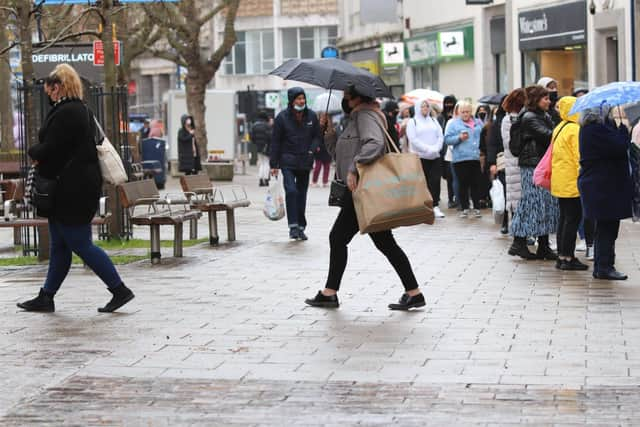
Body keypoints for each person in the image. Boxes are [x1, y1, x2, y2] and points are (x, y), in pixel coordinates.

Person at [17, 63, 134, 313]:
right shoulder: (77, 109)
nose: (46, 93)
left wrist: (33, 152)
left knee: (80, 244)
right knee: (60, 245)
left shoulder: (68, 112)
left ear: (57, 87)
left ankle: (119, 290)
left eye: (48, 88)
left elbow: (51, 147)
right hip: (69, 189)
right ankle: (46, 296)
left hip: (72, 191)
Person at [304, 85, 425, 311]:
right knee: (384, 242)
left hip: (362, 188)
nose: (343, 99)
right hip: (360, 189)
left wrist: (353, 169)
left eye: (346, 95)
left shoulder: (365, 115)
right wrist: (328, 133)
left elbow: (375, 144)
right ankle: (414, 292)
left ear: (357, 98)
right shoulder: (356, 117)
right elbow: (340, 153)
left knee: (338, 238)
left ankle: (329, 293)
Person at [578, 106, 633, 280]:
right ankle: (604, 267)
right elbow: (619, 147)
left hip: (602, 185)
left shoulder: (593, 128)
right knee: (606, 227)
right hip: (602, 186)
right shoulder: (596, 129)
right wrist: (624, 131)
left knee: (606, 226)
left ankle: (604, 265)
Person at [508, 85, 559, 260]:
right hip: (532, 165)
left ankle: (543, 245)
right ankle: (519, 242)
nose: (549, 101)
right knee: (532, 203)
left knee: (543, 204)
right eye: (545, 98)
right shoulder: (529, 117)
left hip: (540, 164)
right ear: (536, 100)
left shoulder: (542, 115)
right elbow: (549, 135)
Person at [270, 87, 322, 240]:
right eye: (298, 99)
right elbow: (275, 142)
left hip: (305, 161)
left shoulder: (312, 116)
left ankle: (301, 226)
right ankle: (293, 226)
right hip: (287, 161)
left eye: (303, 98)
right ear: (292, 101)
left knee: (301, 195)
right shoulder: (282, 118)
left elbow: (317, 137)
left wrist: (312, 150)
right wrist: (274, 164)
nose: (302, 101)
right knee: (291, 191)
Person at [550, 96, 588, 270]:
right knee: (572, 219)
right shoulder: (574, 129)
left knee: (564, 219)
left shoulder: (560, 127)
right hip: (572, 181)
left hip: (560, 181)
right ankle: (568, 257)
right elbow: (579, 156)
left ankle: (561, 256)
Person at [444, 100, 483, 218]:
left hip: (475, 157)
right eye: (463, 112)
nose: (465, 114)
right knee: (463, 184)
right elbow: (447, 139)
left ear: (471, 112)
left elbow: (483, 136)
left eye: (467, 112)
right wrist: (459, 138)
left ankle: (477, 207)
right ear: (458, 112)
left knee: (476, 183)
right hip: (460, 158)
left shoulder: (478, 122)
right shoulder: (454, 124)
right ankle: (464, 207)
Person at [406, 98, 445, 218]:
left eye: (427, 106)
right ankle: (422, 206)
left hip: (434, 156)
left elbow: (440, 136)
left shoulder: (433, 120)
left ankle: (435, 205)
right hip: (420, 157)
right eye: (423, 106)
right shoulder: (413, 122)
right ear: (418, 108)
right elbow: (413, 139)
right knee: (422, 183)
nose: (425, 108)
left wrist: (436, 148)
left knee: (435, 181)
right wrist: (427, 148)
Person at [499, 89, 526, 235]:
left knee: (519, 198)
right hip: (515, 163)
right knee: (516, 198)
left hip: (517, 163)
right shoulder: (509, 120)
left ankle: (521, 232)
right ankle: (518, 233)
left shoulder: (518, 118)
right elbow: (510, 143)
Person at [486, 96, 509, 233]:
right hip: (502, 160)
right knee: (505, 192)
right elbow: (492, 144)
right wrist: (492, 163)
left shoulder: (521, 118)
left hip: (517, 160)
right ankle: (505, 221)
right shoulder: (497, 122)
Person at [438, 95, 458, 208]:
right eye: (446, 103)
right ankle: (451, 198)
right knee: (449, 176)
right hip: (445, 152)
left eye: (451, 103)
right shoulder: (441, 118)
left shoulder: (458, 118)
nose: (448, 106)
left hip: (457, 150)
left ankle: (457, 197)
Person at [250, 111, 272, 187]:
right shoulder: (267, 126)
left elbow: (252, 137)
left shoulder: (254, 125)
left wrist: (256, 143)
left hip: (258, 147)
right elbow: (270, 137)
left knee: (261, 163)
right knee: (266, 163)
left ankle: (260, 180)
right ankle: (265, 180)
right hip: (266, 147)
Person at [312, 112, 333, 187]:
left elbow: (332, 137)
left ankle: (325, 181)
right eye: (322, 118)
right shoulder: (317, 127)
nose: (323, 119)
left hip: (327, 149)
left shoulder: (330, 127)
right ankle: (314, 181)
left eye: (325, 117)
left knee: (327, 167)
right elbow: (315, 138)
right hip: (319, 149)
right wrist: (315, 146)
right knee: (317, 167)